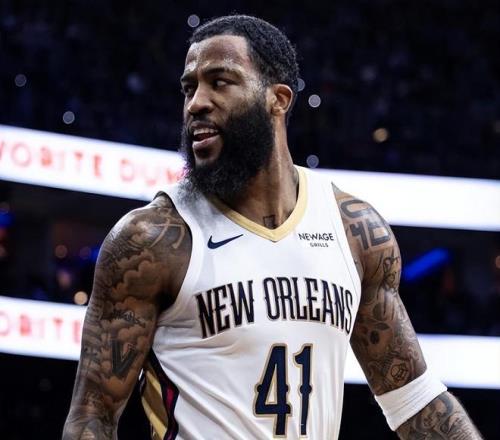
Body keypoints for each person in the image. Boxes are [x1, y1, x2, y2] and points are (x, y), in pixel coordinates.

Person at [63, 15, 482, 439]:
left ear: (278, 99)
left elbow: (415, 400)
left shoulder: (354, 231)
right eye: (189, 88)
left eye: (219, 82)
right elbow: (93, 414)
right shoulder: (150, 240)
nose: (196, 104)